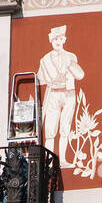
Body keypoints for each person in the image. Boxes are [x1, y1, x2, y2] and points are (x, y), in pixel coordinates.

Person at [37, 26, 85, 163]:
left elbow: (80, 75)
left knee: (65, 128)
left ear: (64, 39)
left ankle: (62, 159)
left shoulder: (71, 57)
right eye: (54, 39)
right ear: (51, 41)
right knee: (50, 130)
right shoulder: (45, 59)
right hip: (53, 95)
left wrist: (69, 64)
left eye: (60, 38)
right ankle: (49, 162)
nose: (57, 41)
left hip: (69, 94)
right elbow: (41, 79)